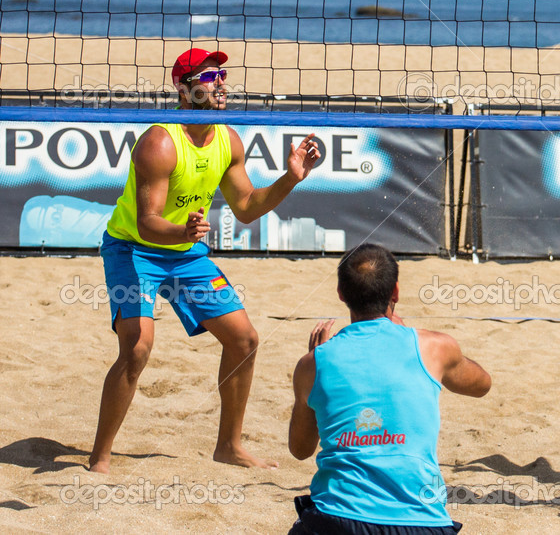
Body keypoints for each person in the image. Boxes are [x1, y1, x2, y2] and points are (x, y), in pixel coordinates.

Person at [88, 47, 322, 472]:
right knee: (137, 348)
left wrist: (291, 176)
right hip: (135, 249)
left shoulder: (228, 139)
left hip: (185, 252)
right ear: (183, 88)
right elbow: (146, 223)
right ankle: (100, 457)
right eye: (209, 77)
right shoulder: (159, 142)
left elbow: (247, 207)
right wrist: (183, 232)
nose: (220, 83)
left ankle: (228, 447)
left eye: (221, 75)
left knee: (245, 341)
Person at [288, 243, 491, 535]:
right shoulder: (435, 348)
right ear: (395, 292)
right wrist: (413, 335)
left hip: (337, 519)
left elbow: (300, 449)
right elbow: (483, 384)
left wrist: (313, 374)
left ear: (341, 294)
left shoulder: (313, 363)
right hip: (422, 523)